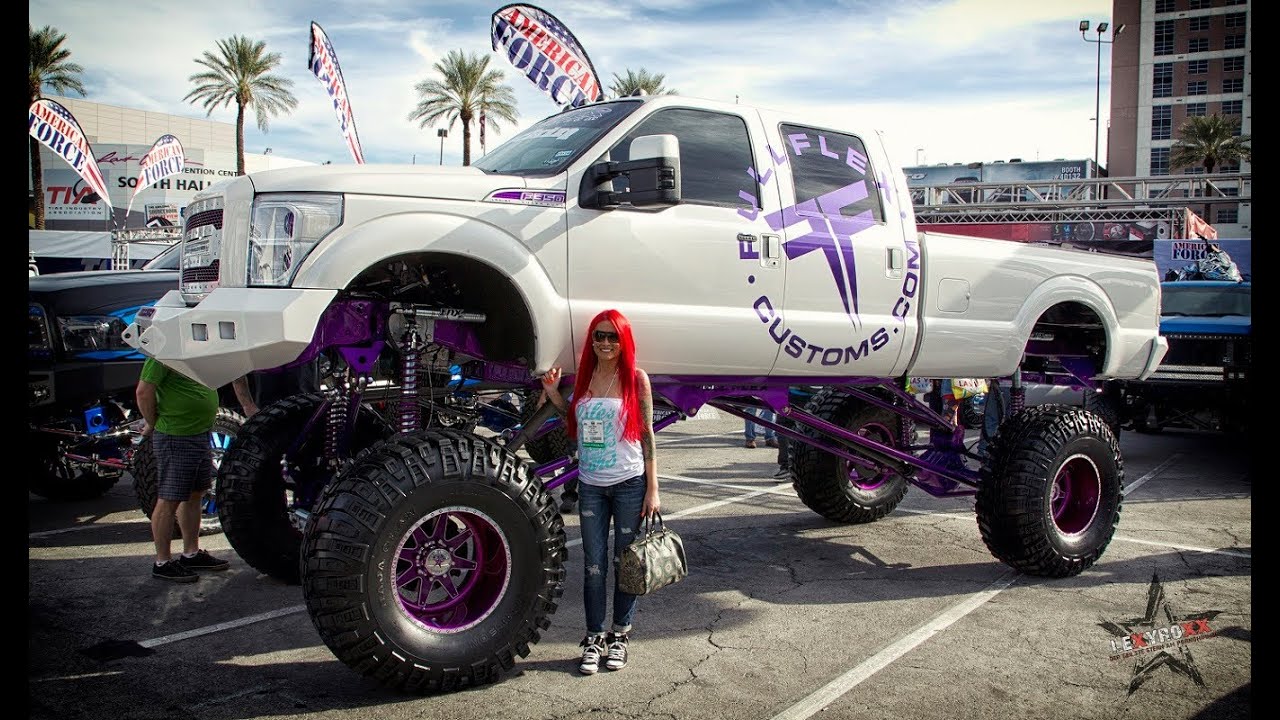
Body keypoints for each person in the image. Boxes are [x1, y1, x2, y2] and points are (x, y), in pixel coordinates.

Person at [540, 309, 659, 675]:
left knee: (627, 565)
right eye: (599, 336)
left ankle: (619, 636)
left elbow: (648, 434)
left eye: (612, 336)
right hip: (591, 485)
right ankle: (593, 637)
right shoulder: (584, 379)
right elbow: (573, 423)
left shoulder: (636, 380)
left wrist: (653, 488)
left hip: (629, 483)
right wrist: (550, 393)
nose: (605, 342)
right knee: (593, 567)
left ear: (624, 341)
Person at [135, 358, 231, 582]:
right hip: (175, 436)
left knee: (195, 494)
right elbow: (143, 392)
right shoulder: (162, 354)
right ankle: (163, 562)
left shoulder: (193, 351)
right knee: (169, 499)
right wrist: (154, 421)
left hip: (199, 432)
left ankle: (191, 553)